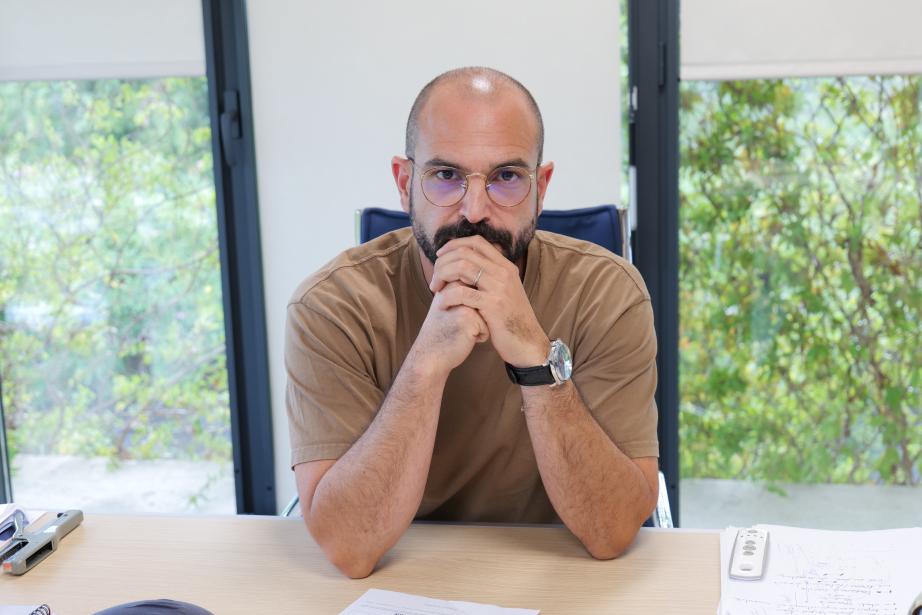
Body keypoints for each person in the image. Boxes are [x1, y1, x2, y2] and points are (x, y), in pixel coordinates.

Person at [285, 67, 660, 579]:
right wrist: (425, 365)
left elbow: (612, 530)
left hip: (560, 572)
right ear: (404, 183)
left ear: (540, 187)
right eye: (446, 176)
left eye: (506, 176)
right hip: (401, 574)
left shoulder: (609, 293)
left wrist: (534, 354)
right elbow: (350, 548)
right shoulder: (330, 306)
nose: (475, 210)